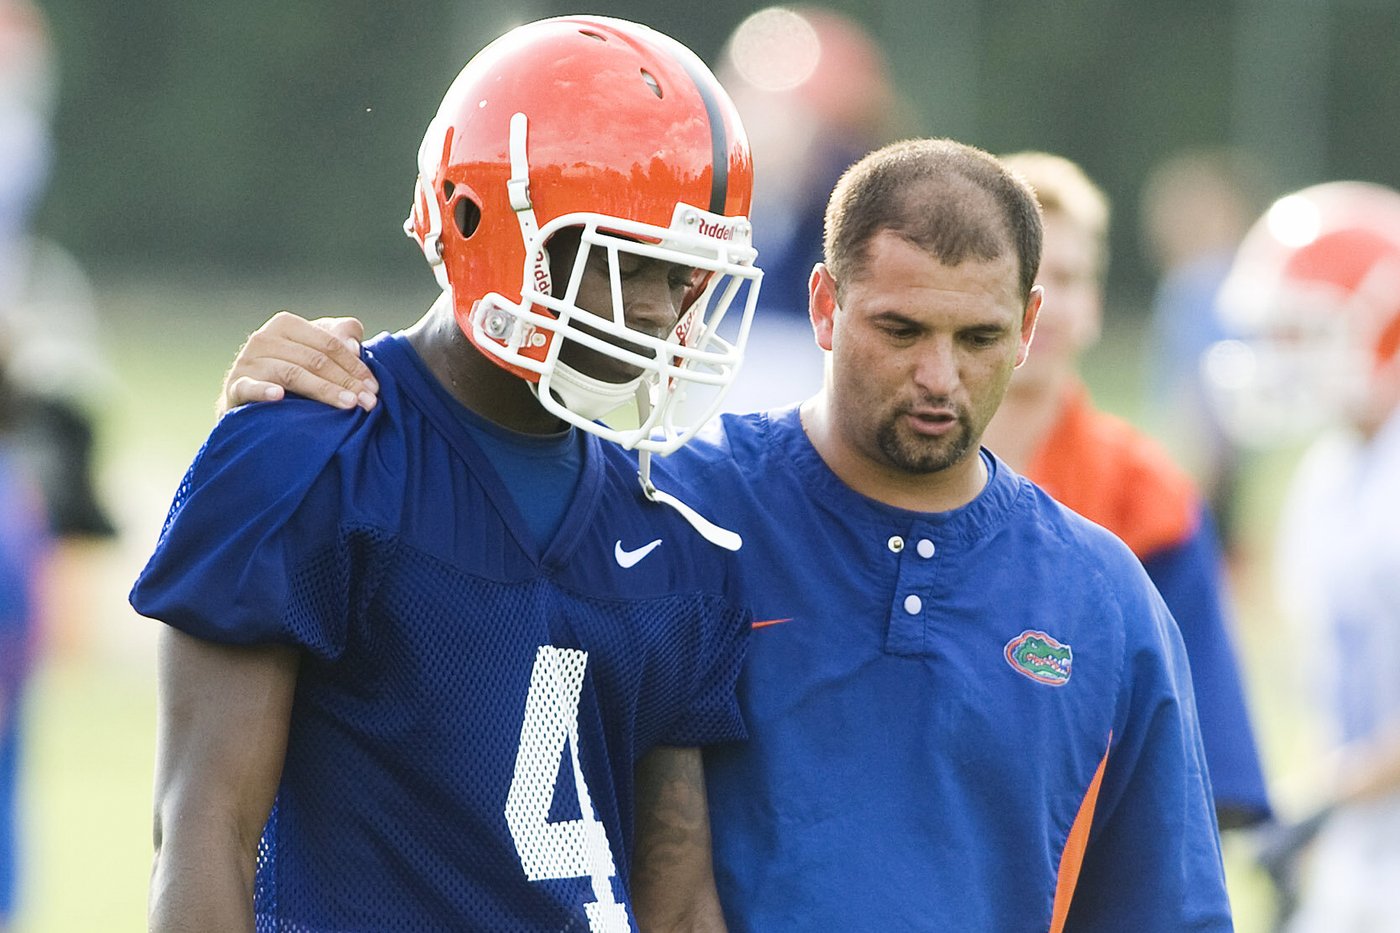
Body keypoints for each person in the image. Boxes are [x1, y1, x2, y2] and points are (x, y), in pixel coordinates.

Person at [226, 138, 1232, 930]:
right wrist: (305, 395)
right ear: (826, 306)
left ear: (1026, 323)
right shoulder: (664, 509)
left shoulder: (1102, 597)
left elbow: (1163, 911)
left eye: (975, 339)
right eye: (900, 330)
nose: (939, 376)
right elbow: (447, 508)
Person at [129, 15, 767, 931]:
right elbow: (202, 832)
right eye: (628, 262)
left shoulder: (676, 535)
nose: (663, 311)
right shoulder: (310, 456)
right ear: (487, 224)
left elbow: (677, 896)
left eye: (686, 276)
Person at [983, 150, 1272, 830]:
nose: (1043, 301)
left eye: (1069, 276)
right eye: (1023, 272)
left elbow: (1210, 776)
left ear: (1096, 303)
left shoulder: (1151, 500)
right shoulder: (886, 466)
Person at [1203, 180, 1400, 931]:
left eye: (1304, 331)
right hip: (1361, 855)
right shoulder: (1329, 477)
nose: (1280, 355)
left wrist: (1324, 795)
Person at [1138, 148, 1270, 555]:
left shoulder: (1197, 288)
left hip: (1203, 465)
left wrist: (1196, 479)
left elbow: (1201, 387)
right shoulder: (1232, 280)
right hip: (1223, 461)